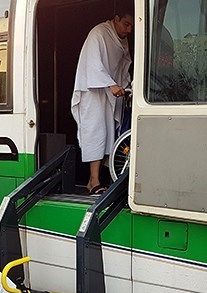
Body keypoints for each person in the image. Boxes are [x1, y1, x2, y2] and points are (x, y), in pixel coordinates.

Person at [71, 5, 133, 195]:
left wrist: (126, 85)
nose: (129, 30)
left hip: (108, 92)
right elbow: (93, 64)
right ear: (115, 18)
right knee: (96, 133)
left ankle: (93, 180)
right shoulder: (98, 33)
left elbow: (123, 66)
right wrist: (110, 84)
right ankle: (95, 180)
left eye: (131, 26)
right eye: (126, 24)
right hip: (92, 91)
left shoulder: (122, 40)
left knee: (107, 134)